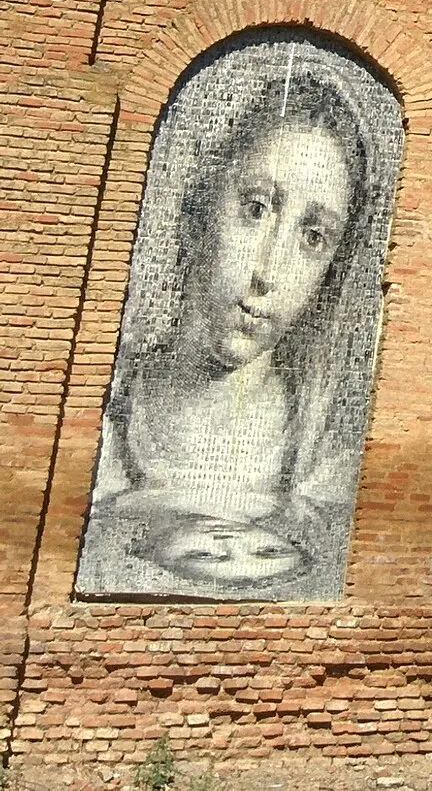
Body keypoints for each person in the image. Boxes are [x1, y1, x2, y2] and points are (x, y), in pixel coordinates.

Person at [81, 58, 376, 598]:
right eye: (256, 208)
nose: (270, 272)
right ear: (199, 212)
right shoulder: (101, 417)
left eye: (313, 237)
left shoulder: (328, 460)